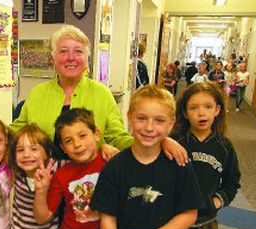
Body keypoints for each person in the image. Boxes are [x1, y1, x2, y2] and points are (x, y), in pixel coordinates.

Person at [10, 24, 187, 164]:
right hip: (45, 180)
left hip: (89, 181)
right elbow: (17, 131)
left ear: (86, 58)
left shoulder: (101, 93)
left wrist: (159, 142)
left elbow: (118, 137)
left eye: (78, 51)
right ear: (53, 58)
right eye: (63, 51)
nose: (71, 57)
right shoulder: (37, 94)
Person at [91, 85, 204, 229]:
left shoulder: (179, 165)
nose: (149, 127)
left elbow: (189, 214)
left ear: (171, 124)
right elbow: (108, 216)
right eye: (142, 118)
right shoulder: (115, 167)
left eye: (159, 121)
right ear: (130, 118)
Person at [173, 82, 241, 229]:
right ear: (185, 112)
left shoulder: (224, 147)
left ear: (217, 110)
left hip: (205, 220)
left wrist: (217, 201)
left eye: (208, 107)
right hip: (172, 218)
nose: (201, 113)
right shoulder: (176, 142)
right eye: (194, 108)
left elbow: (232, 182)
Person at [33, 108, 106, 229]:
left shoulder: (110, 162)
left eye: (82, 136)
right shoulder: (61, 174)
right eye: (68, 141)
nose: (77, 144)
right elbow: (43, 217)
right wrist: (41, 190)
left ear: (96, 134)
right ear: (63, 148)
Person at [8, 123, 60, 229]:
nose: (26, 155)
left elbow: (83, 159)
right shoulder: (16, 172)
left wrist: (105, 148)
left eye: (34, 149)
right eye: (20, 150)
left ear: (48, 153)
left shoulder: (57, 170)